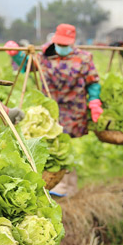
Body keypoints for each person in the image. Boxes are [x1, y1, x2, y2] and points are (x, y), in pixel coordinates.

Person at [36, 24, 102, 196]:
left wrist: (94, 101)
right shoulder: (45, 56)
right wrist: (18, 54)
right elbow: (28, 65)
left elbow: (93, 81)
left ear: (72, 43)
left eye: (66, 45)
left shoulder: (83, 58)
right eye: (60, 44)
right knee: (51, 146)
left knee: (64, 145)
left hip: (73, 109)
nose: (62, 48)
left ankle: (67, 187)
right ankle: (57, 184)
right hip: (50, 108)